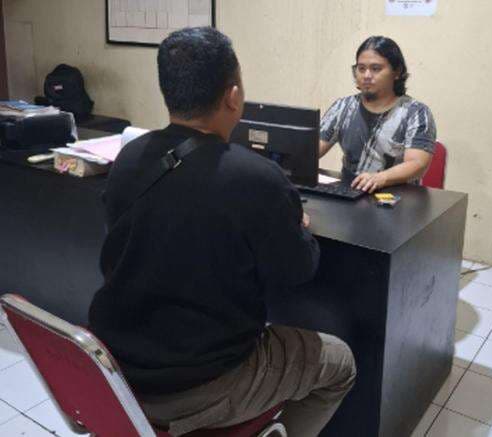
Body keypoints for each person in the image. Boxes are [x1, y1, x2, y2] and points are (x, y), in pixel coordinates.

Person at [88, 27, 355, 437]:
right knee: (339, 363)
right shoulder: (256, 177)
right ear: (233, 96)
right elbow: (296, 271)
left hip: (117, 369)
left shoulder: (129, 158)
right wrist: (296, 226)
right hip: (204, 382)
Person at [320, 36, 437, 193]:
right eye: (361, 69)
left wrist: (381, 178)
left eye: (376, 69)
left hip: (397, 196)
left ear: (397, 72)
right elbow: (313, 150)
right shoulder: (342, 107)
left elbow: (417, 164)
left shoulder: (416, 113)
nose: (366, 75)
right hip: (350, 191)